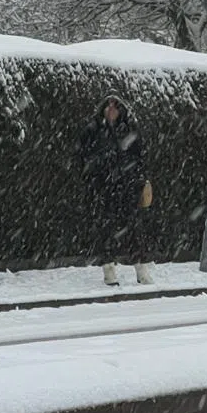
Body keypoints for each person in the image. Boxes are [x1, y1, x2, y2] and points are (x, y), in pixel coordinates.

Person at [78, 94, 154, 286]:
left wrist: (134, 178)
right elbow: (85, 156)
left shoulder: (129, 130)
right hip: (104, 188)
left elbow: (139, 158)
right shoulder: (94, 130)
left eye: (115, 107)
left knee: (134, 228)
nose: (111, 111)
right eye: (108, 107)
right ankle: (109, 270)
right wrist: (97, 175)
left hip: (127, 188)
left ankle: (141, 269)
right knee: (107, 229)